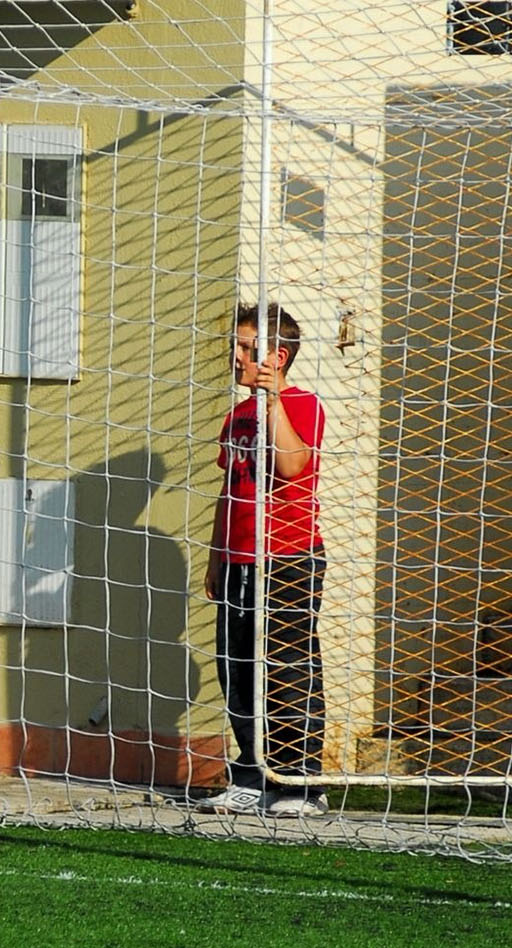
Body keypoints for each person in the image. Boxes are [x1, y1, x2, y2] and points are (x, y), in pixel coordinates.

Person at [197, 302, 328, 817]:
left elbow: (294, 466)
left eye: (248, 348)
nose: (236, 355)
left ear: (278, 356)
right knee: (236, 668)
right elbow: (230, 489)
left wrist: (272, 402)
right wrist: (215, 557)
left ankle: (300, 784)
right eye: (237, 345)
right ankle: (250, 776)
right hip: (238, 559)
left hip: (289, 557)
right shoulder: (236, 416)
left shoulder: (302, 405)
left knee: (290, 668)